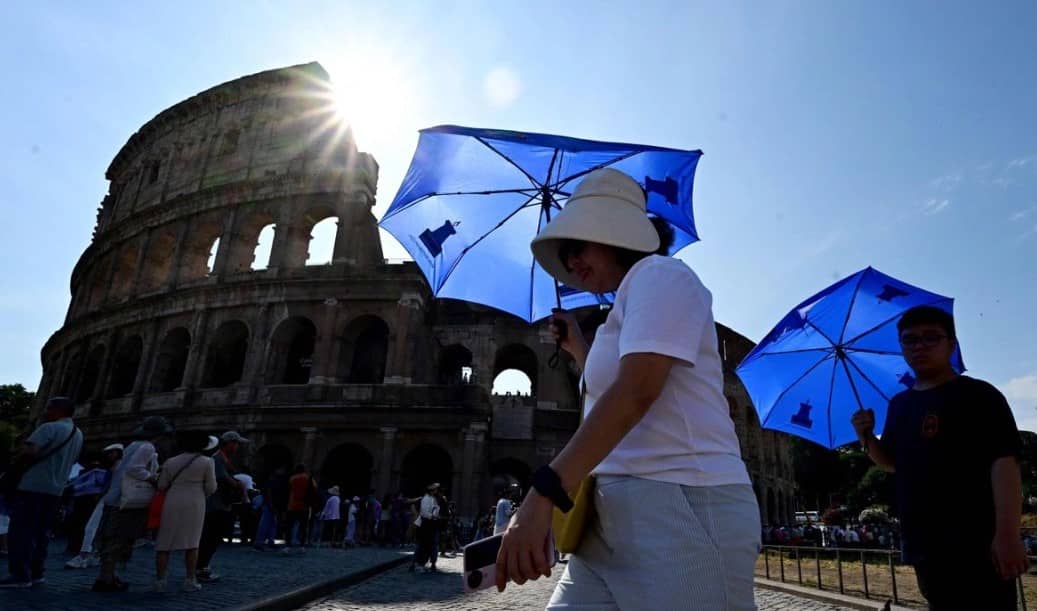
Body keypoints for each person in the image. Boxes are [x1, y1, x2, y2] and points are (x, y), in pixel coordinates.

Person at [497, 168, 761, 608]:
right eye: (564, 256)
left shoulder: (662, 275)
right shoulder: (622, 308)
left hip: (680, 504)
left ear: (611, 230)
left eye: (576, 246)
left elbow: (636, 393)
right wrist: (580, 351)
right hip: (609, 512)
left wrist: (545, 490)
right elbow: (616, 389)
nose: (571, 265)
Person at [851, 305, 1027, 610]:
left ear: (951, 345)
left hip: (977, 542)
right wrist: (865, 435)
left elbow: (1004, 465)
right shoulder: (900, 405)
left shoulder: (980, 395)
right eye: (910, 339)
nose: (919, 346)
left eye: (931, 338)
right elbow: (892, 463)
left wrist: (1008, 534)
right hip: (925, 544)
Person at [0, 397, 84, 589]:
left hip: (32, 486)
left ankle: (20, 574)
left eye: (49, 407)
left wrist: (13, 471)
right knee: (41, 533)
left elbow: (29, 452)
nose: (45, 411)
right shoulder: (77, 434)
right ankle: (37, 572)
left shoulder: (49, 428)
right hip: (55, 490)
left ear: (57, 410)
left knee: (21, 531)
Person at [94, 416, 172, 592]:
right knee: (118, 539)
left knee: (112, 538)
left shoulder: (133, 445)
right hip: (126, 500)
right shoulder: (147, 446)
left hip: (117, 496)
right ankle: (106, 578)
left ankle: (107, 575)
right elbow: (134, 469)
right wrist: (153, 478)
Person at [153, 432, 217, 593]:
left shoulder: (171, 461)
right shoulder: (207, 462)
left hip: (172, 500)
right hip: (195, 501)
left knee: (164, 543)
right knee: (192, 543)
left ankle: (160, 581)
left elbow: (161, 485)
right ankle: (190, 580)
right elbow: (211, 487)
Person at [195, 430, 247, 583]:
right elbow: (221, 477)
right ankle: (201, 568)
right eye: (237, 443)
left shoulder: (222, 458)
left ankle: (202, 566)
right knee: (210, 537)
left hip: (221, 503)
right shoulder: (217, 458)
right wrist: (239, 484)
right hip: (215, 504)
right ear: (230, 443)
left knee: (214, 537)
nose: (238, 447)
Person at [409, 483, 441, 573]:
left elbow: (435, 510)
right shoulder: (426, 499)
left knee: (426, 545)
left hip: (430, 524)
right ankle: (418, 565)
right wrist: (434, 516)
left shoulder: (433, 499)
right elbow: (424, 513)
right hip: (425, 524)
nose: (437, 491)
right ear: (432, 491)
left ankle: (419, 564)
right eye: (435, 490)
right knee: (422, 545)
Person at [281, 464, 313, 553]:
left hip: (292, 505)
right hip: (304, 506)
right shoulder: (308, 478)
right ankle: (302, 546)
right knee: (303, 527)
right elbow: (313, 491)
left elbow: (286, 491)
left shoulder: (292, 478)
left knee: (289, 527)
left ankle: (288, 546)